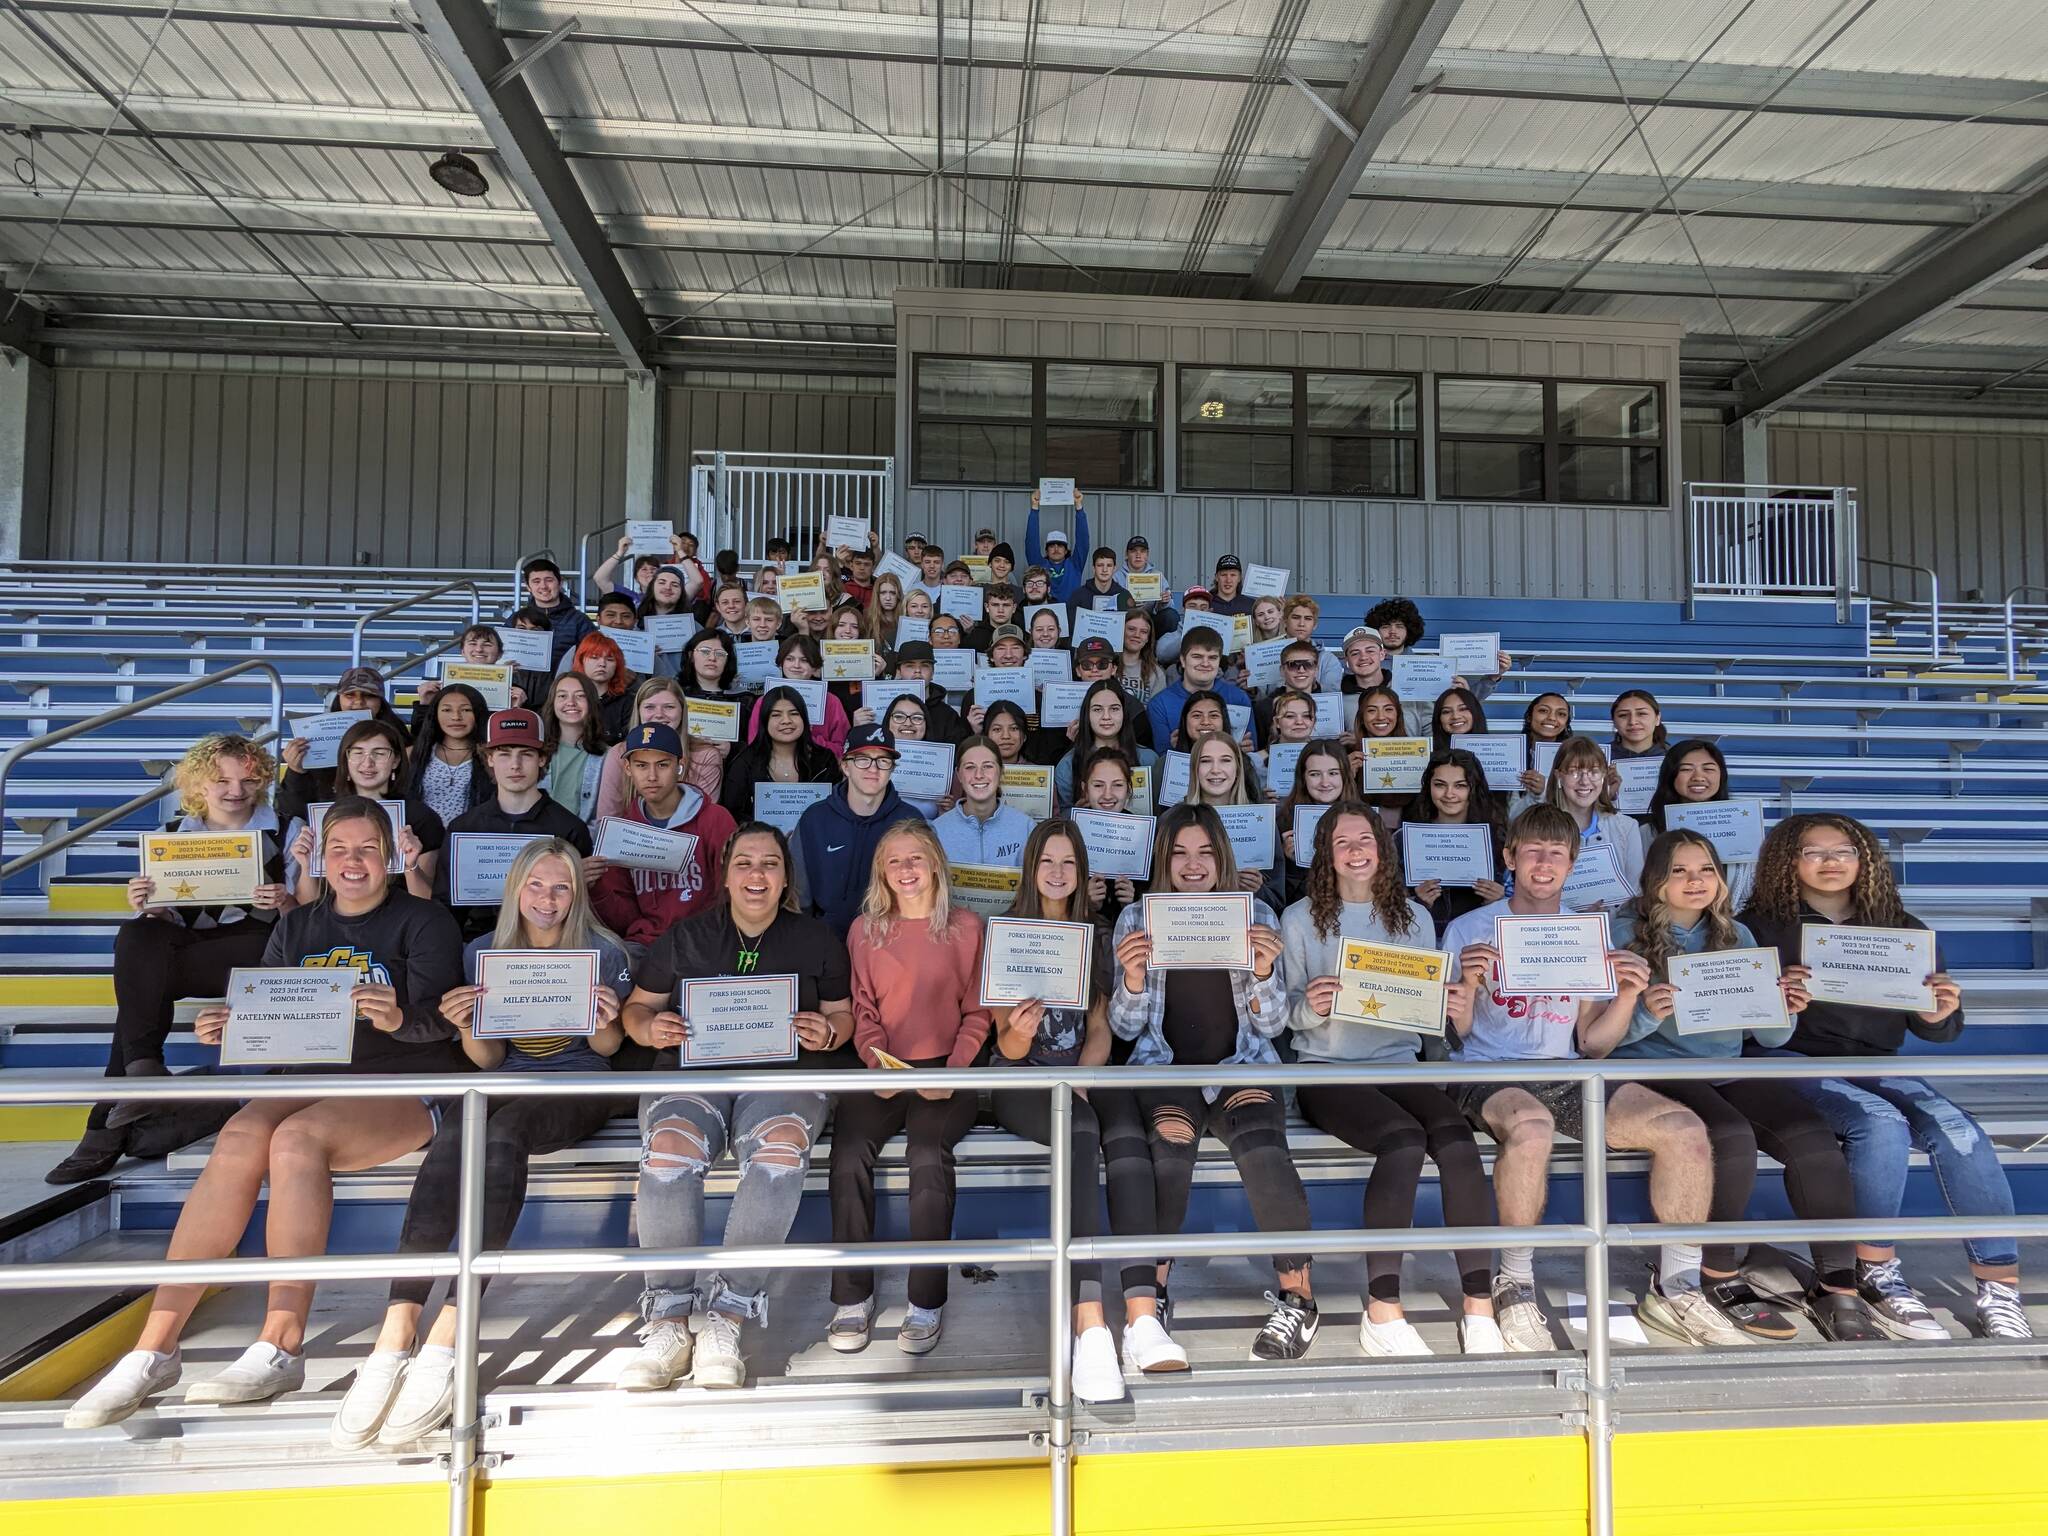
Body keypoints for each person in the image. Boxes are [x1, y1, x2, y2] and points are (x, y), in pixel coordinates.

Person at [65, 800, 464, 1428]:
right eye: (340, 849)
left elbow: (446, 1023)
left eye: (366, 849)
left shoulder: (425, 920)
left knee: (297, 1140)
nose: (353, 862)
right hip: (314, 1075)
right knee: (243, 1130)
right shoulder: (299, 925)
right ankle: (155, 1345)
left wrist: (399, 1016)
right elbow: (273, 1015)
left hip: (407, 1080)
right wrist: (229, 1024)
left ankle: (281, 1342)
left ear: (388, 856)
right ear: (321, 856)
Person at [329, 840, 634, 1449]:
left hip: (577, 1088)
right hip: (506, 1084)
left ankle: (450, 1332)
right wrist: (469, 1025)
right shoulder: (484, 953)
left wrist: (607, 1021)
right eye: (537, 886)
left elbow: (606, 1052)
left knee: (501, 1130)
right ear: (516, 889)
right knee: (463, 1122)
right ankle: (396, 1330)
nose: (548, 900)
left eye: (562, 887)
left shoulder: (605, 952)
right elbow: (488, 1059)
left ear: (578, 894)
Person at [1441, 804, 1731, 1351]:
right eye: (1532, 851)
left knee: (1684, 1128)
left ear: (1573, 863)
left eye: (1557, 853)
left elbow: (1593, 1043)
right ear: (1509, 857)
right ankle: (1516, 1282)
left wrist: (1625, 995)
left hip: (1566, 1071)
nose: (1544, 863)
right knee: (1531, 1128)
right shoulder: (1468, 928)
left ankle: (1679, 1284)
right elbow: (1452, 1038)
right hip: (1488, 1069)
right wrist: (1468, 986)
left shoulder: (1586, 930)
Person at [1741, 814, 2032, 1341]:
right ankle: (1877, 1273)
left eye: (1843, 851)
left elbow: (1940, 1033)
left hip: (1878, 1064)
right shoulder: (1758, 927)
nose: (1831, 863)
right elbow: (1739, 1023)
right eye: (1813, 851)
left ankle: (1999, 1286)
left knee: (1958, 1130)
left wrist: (1938, 1012)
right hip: (1794, 1063)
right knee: (1880, 1123)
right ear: (1788, 861)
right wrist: (1774, 999)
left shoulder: (1903, 929)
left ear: (1865, 860)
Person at [614, 824, 857, 1390]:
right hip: (694, 1075)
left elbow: (843, 1016)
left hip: (783, 1076)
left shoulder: (816, 939)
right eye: (744, 863)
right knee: (670, 1149)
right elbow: (636, 1011)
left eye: (770, 864)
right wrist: (651, 1028)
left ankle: (729, 1316)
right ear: (725, 874)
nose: (757, 875)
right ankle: (670, 1318)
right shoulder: (686, 936)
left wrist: (827, 1031)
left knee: (780, 1151)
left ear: (785, 877)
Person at [1609, 829, 1876, 1343]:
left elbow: (1770, 1035)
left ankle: (1837, 1285)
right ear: (1656, 879)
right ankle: (1717, 1278)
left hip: (1726, 1065)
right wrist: (1645, 1013)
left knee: (1810, 1136)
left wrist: (1786, 1008)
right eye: (1680, 871)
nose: (1695, 881)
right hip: (1652, 1070)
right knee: (1729, 1136)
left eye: (1705, 870)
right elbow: (1608, 1037)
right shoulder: (1625, 933)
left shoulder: (1738, 937)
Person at [1282, 806, 1504, 1355]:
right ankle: (1382, 1310)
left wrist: (1450, 1007)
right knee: (1403, 1140)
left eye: (1366, 839)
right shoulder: (1298, 919)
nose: (1356, 850)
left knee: (1455, 1138)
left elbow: (1423, 1015)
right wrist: (1311, 1006)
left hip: (1399, 1064)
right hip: (1327, 1071)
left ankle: (1479, 1305)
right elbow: (1283, 1013)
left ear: (1383, 848)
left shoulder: (1413, 918)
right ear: (1325, 854)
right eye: (1342, 842)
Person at [1108, 804, 1319, 1361]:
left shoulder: (1256, 916)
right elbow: (1124, 1028)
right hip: (1165, 1068)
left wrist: (1266, 973)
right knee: (1170, 1149)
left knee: (1261, 1147)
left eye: (1204, 852)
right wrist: (1131, 979)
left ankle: (1300, 1299)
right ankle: (1150, 1296)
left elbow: (1273, 1026)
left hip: (1243, 1066)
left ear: (1221, 856)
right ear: (1164, 859)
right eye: (1179, 852)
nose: (1192, 864)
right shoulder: (1137, 920)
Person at [987, 819, 1181, 1399]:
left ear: (1082, 873)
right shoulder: (1010, 933)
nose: (1057, 872)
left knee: (1125, 1131)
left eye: (1069, 863)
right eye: (1047, 860)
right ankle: (1089, 1324)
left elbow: (1099, 1028)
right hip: (1019, 1077)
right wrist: (1024, 1037)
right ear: (1031, 867)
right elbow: (1005, 1042)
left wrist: (1083, 1075)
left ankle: (1143, 1316)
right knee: (1078, 1134)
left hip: (1081, 1076)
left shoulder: (1094, 936)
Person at [46, 735, 292, 1185]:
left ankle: (109, 1119)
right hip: (187, 951)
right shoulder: (171, 838)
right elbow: (166, 920)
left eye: (247, 779)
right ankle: (142, 1074)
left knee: (140, 992)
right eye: (221, 780)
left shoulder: (287, 829)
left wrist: (285, 899)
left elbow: (304, 920)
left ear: (261, 781)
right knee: (138, 931)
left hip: (253, 952)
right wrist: (149, 904)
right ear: (198, 783)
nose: (235, 790)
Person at [827, 821, 991, 1355]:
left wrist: (955, 1070)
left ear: (937, 863)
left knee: (927, 1155)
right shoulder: (864, 931)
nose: (906, 870)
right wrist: (878, 1064)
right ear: (881, 871)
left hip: (949, 1067)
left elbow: (978, 1009)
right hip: (883, 1068)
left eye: (915, 858)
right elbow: (863, 1009)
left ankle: (925, 1302)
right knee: (849, 1154)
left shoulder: (967, 927)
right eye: (893, 861)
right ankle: (853, 1297)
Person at [433, 710, 594, 942]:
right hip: (476, 943)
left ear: (543, 759)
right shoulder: (464, 828)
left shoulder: (569, 828)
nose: (515, 765)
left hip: (549, 947)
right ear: (489, 758)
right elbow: (445, 907)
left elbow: (580, 910)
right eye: (504, 754)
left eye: (526, 754)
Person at [590, 723, 737, 948]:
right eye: (641, 765)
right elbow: (621, 917)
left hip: (705, 941)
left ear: (680, 765)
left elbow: (730, 892)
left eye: (662, 765)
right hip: (646, 945)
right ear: (627, 768)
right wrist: (596, 887)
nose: (651, 776)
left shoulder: (715, 819)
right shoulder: (623, 830)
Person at [284, 720, 441, 905]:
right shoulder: (323, 815)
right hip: (335, 923)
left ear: (396, 761)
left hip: (399, 922)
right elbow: (307, 903)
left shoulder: (420, 818)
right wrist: (306, 865)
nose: (368, 762)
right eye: (358, 753)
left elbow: (427, 901)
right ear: (345, 760)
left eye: (380, 753)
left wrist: (410, 867)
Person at [790, 723, 927, 935]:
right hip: (825, 943)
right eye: (862, 759)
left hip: (892, 941)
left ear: (892, 769)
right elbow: (799, 898)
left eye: (883, 761)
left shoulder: (911, 821)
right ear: (845, 767)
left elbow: (925, 894)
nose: (873, 769)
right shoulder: (814, 819)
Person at [1403, 747, 1506, 931]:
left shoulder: (1499, 840)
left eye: (1460, 785)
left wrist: (1498, 901)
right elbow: (1390, 903)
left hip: (1477, 940)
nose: (1449, 794)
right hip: (1424, 940)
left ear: (1474, 788)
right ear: (1428, 787)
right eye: (1440, 785)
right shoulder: (1404, 840)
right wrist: (1417, 903)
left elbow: (1517, 903)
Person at [594, 678, 724, 823]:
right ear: (638, 711)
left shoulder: (706, 756)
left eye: (669, 707)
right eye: (650, 707)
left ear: (682, 710)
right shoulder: (619, 753)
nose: (659, 714)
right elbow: (606, 821)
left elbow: (706, 823)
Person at [1645, 738, 1752, 906]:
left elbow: (1749, 894)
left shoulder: (1745, 826)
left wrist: (1725, 923)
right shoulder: (1646, 833)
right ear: (1670, 776)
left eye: (1708, 769)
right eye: (1686, 769)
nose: (1698, 777)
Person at [719, 683, 843, 825]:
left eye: (794, 713)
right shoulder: (745, 762)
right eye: (776, 715)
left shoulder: (824, 760)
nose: (786, 721)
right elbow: (734, 814)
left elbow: (837, 809)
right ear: (765, 721)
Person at [1542, 735, 1647, 893]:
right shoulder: (1537, 826)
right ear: (1559, 776)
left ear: (1604, 776)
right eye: (1574, 772)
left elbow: (1636, 892)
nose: (1585, 781)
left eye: (1594, 772)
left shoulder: (1627, 827)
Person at [1274, 738, 1356, 910]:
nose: (1325, 782)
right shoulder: (1283, 822)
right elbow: (1280, 899)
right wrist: (1292, 865)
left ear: (1345, 775)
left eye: (1333, 773)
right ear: (1303, 778)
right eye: (1315, 774)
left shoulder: (1365, 820)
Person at [1144, 628, 1252, 754]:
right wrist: (1176, 749)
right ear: (1183, 660)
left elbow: (1250, 747)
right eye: (1197, 657)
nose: (1205, 664)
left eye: (1212, 658)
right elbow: (1162, 757)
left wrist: (1244, 750)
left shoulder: (1239, 698)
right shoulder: (1159, 704)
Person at [933, 736, 1034, 867]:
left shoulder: (1026, 828)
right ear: (958, 775)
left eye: (987, 766)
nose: (979, 775)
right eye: (970, 767)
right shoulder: (937, 831)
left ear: (1001, 772)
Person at [1056, 678, 1157, 808]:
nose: (1106, 716)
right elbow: (1061, 815)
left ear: (1124, 713)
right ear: (1087, 715)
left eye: (1114, 709)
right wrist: (1077, 813)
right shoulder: (1068, 765)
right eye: (1097, 709)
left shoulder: (1148, 759)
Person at [407, 684, 493, 828]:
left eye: (466, 710)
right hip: (423, 841)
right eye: (447, 710)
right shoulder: (414, 754)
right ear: (435, 714)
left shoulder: (491, 758)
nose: (456, 717)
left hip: (471, 840)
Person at [541, 672, 607, 821]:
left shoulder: (608, 757)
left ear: (591, 702)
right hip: (541, 840)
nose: (571, 702)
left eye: (580, 696)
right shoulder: (536, 751)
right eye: (562, 696)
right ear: (552, 702)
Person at [515, 557, 594, 667]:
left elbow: (593, 654)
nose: (543, 586)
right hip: (521, 683)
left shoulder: (579, 621)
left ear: (560, 582)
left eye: (549, 580)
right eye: (536, 581)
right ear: (528, 586)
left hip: (564, 682)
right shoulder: (516, 619)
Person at [1025, 489, 1091, 603]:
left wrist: (1079, 506)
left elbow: (1083, 541)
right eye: (1051, 546)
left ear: (1066, 551)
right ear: (1046, 551)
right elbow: (1031, 541)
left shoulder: (1075, 565)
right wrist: (1034, 507)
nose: (1056, 549)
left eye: (1060, 545)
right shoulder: (1039, 566)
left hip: (1071, 616)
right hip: (1044, 615)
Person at [571, 630, 636, 743]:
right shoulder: (568, 698)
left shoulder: (629, 702)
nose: (602, 663)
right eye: (594, 657)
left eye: (609, 659)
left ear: (617, 665)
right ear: (581, 661)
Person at [1516, 692, 1575, 800]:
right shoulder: (1512, 753)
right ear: (1529, 717)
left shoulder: (1573, 757)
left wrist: (1544, 790)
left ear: (1566, 723)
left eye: (1561, 714)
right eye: (1543, 711)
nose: (1552, 718)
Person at [1608, 689, 1667, 762]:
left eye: (1641, 714)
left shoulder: (1675, 757)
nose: (1632, 722)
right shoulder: (1597, 757)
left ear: (1657, 718)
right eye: (1623, 715)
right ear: (1614, 721)